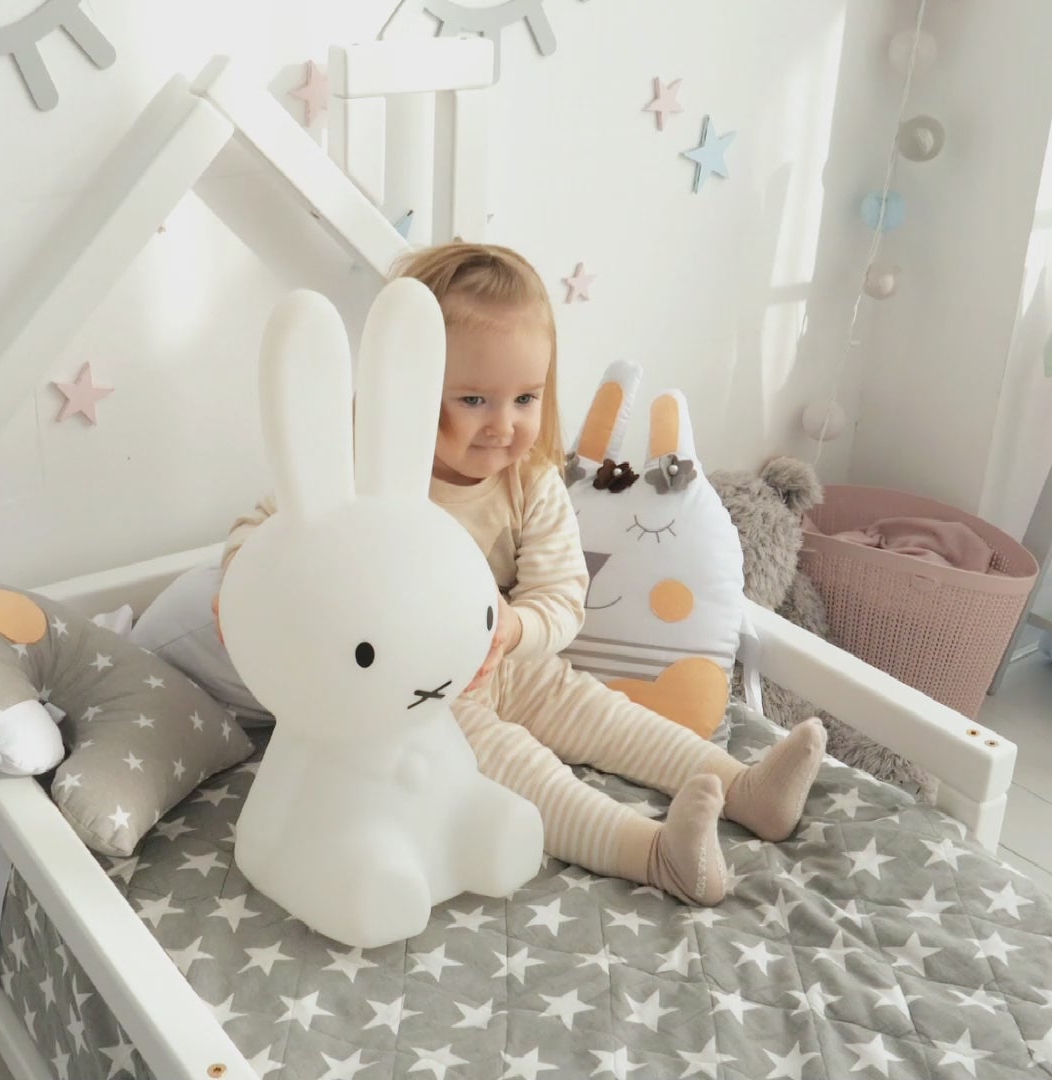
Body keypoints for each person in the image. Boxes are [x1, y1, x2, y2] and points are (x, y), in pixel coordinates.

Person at [220, 242, 825, 905]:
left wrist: (516, 629)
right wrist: (243, 583)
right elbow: (275, 527)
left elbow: (562, 597)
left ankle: (745, 789)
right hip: (423, 698)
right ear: (410, 391)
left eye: (525, 398)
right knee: (524, 772)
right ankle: (654, 854)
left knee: (607, 717)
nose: (502, 426)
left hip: (510, 659)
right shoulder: (362, 477)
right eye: (474, 398)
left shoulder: (529, 484)